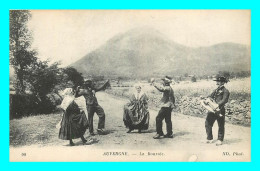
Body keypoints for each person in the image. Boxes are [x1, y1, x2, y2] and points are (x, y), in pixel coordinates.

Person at [205, 76, 230, 146]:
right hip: (212, 110)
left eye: (218, 81)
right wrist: (205, 98)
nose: (217, 83)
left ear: (222, 82)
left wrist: (217, 105)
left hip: (220, 110)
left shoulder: (226, 91)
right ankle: (209, 138)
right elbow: (210, 96)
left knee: (221, 125)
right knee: (208, 123)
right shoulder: (216, 90)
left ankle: (220, 140)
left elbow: (224, 100)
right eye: (217, 81)